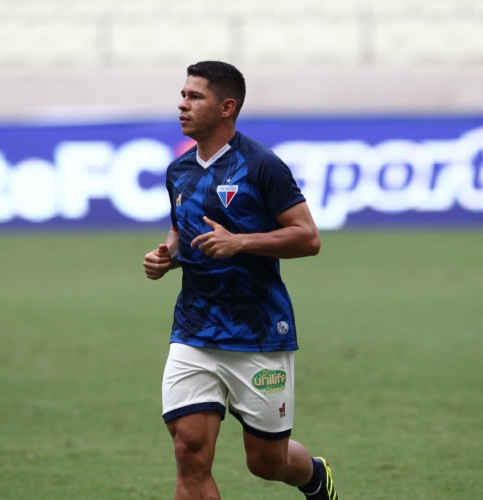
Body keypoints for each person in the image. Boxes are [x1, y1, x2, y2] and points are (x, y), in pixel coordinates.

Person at [143, 60, 339, 500]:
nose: (182, 104)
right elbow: (182, 230)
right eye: (182, 94)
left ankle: (314, 476)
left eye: (195, 97)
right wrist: (166, 256)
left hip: (258, 333)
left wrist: (241, 243)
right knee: (189, 451)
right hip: (194, 330)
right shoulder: (179, 171)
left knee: (266, 463)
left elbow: (308, 238)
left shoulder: (262, 165)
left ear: (227, 107)